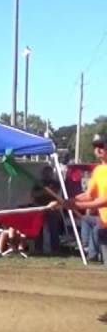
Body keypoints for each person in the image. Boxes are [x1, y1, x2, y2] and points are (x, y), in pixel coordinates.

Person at [64, 134, 107, 321]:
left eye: (102, 145)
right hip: (104, 225)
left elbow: (103, 200)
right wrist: (69, 201)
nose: (98, 149)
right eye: (96, 145)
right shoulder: (98, 171)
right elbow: (90, 195)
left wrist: (76, 206)